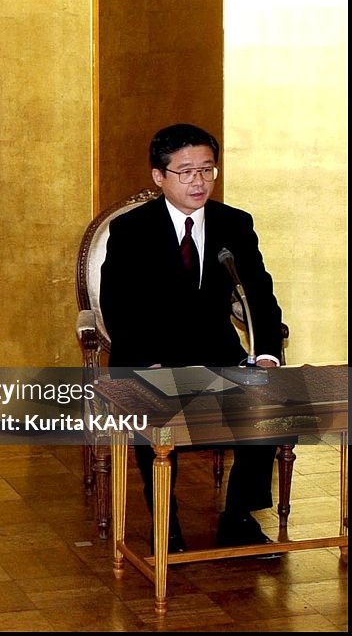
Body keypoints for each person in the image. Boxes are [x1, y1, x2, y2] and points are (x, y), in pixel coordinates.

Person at [99, 123, 283, 554]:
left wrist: (268, 353)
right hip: (150, 353)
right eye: (185, 172)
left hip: (216, 350)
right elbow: (117, 305)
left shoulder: (234, 224)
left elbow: (258, 292)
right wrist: (147, 362)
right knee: (151, 406)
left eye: (206, 169)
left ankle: (239, 517)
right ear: (159, 176)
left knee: (270, 406)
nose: (198, 181)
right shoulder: (131, 230)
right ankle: (166, 519)